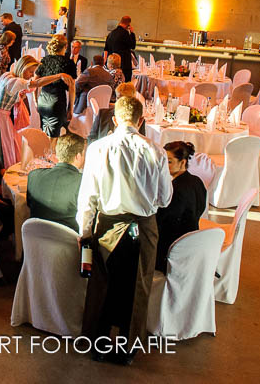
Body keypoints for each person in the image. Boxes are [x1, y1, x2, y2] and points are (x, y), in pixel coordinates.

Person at [77, 96, 172, 364]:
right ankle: (127, 349)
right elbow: (165, 199)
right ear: (141, 121)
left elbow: (88, 197)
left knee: (102, 283)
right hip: (143, 226)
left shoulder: (97, 149)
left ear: (115, 119)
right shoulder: (156, 151)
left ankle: (97, 341)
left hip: (107, 223)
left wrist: (84, 230)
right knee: (138, 285)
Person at [0, 55, 73, 168]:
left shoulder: (7, 75)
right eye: (31, 72)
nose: (32, 76)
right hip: (1, 118)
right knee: (4, 146)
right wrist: (59, 76)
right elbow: (36, 84)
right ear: (23, 68)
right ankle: (2, 168)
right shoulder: (16, 81)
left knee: (8, 144)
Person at [154, 141, 206, 272]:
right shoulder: (197, 181)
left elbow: (163, 223)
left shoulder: (175, 190)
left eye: (169, 162)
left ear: (183, 162)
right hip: (193, 239)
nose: (164, 165)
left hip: (174, 249)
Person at [26, 133, 86, 232]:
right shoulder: (83, 182)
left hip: (35, 239)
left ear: (57, 155)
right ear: (78, 156)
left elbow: (29, 206)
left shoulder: (33, 175)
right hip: (68, 241)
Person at [35, 35, 76, 142]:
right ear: (66, 46)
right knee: (53, 137)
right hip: (57, 101)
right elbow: (72, 88)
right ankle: (49, 156)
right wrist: (71, 109)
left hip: (43, 100)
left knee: (45, 134)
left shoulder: (44, 61)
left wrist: (35, 101)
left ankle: (45, 155)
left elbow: (35, 83)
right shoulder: (69, 63)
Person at [104, 16, 137, 82]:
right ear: (128, 24)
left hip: (111, 64)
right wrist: (132, 33)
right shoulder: (125, 33)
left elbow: (106, 49)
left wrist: (105, 62)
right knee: (124, 84)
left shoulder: (111, 34)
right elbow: (132, 46)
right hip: (123, 64)